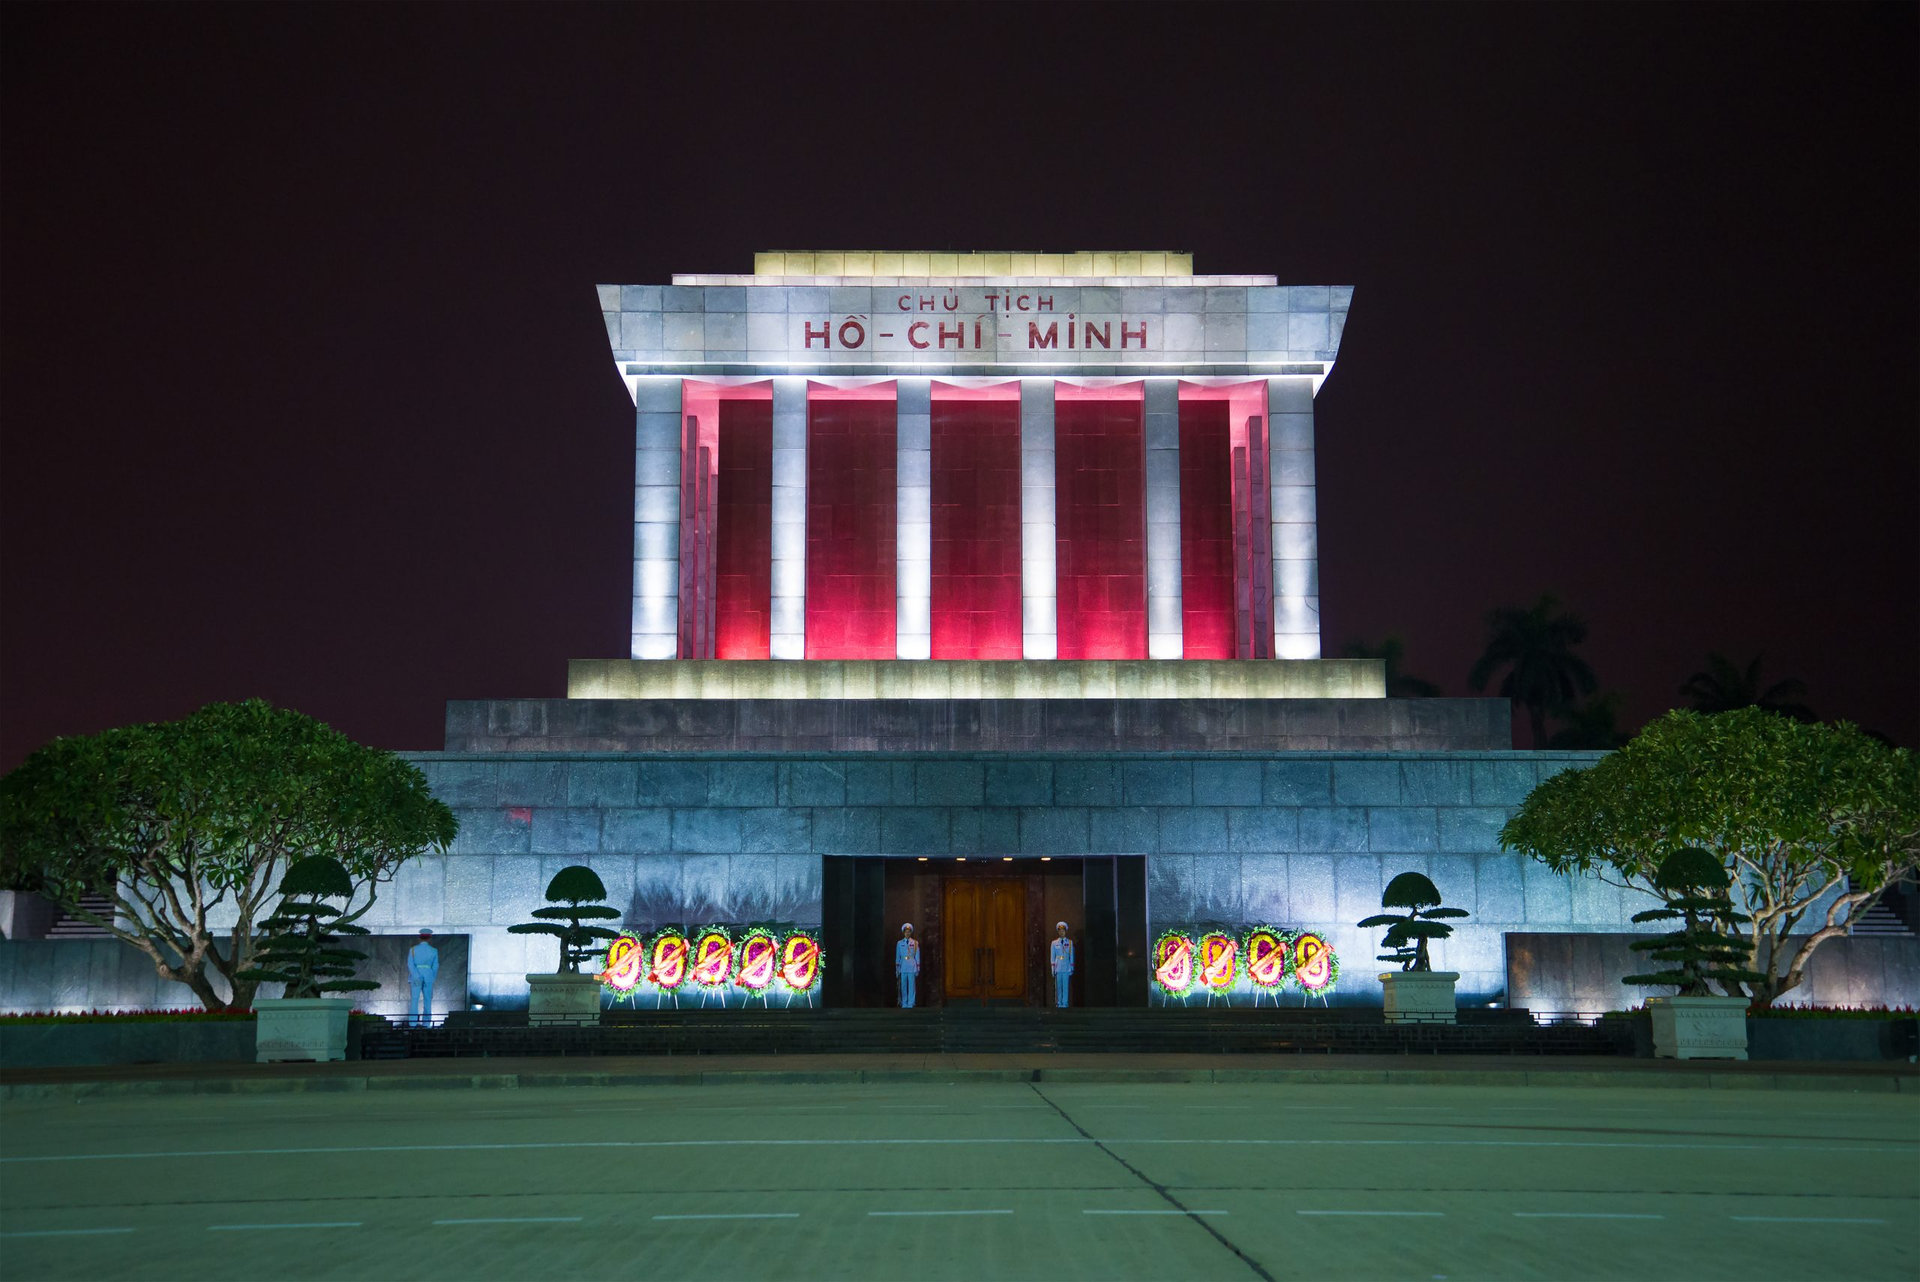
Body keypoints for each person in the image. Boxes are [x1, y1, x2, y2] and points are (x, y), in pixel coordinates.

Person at [406, 929, 439, 1027]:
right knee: (428, 1000)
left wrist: (416, 975)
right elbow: (436, 966)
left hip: (416, 975)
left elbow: (410, 964)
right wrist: (431, 976)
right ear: (429, 938)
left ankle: (412, 1023)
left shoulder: (413, 949)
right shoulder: (434, 950)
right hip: (428, 975)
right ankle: (427, 1023)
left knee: (414, 1000)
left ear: (420, 938)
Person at [895, 923, 920, 1009]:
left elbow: (917, 956)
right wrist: (897, 968)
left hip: (912, 965)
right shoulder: (899, 943)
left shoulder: (915, 943)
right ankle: (904, 1003)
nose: (907, 933)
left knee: (911, 986)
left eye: (909, 932)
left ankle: (911, 1003)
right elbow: (898, 956)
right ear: (903, 932)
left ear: (911, 932)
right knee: (903, 986)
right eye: (906, 932)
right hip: (903, 965)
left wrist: (918, 968)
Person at [1050, 921, 1074, 1008]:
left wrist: (1072, 967)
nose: (1061, 932)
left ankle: (1065, 1003)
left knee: (1065, 986)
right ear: (1058, 931)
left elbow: (1071, 955)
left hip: (1066, 966)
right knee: (1059, 986)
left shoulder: (1070, 942)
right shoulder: (1054, 943)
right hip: (1058, 966)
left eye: (1063, 930)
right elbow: (1052, 957)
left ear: (1065, 931)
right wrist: (1053, 969)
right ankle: (1059, 1003)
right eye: (1060, 930)